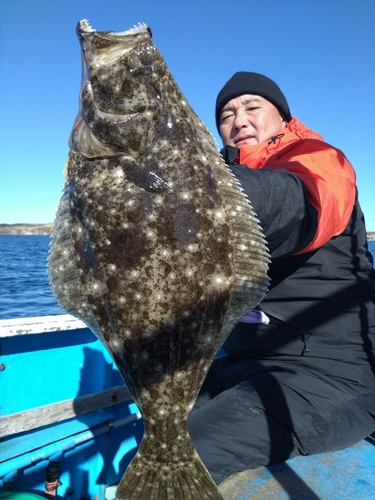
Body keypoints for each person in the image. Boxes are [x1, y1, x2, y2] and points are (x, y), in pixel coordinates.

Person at [187, 72, 375, 484]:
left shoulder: (320, 159)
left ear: (284, 118)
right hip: (242, 362)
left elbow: (302, 205)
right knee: (156, 422)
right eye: (226, 114)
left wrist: (191, 185)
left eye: (253, 107)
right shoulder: (210, 175)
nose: (239, 120)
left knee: (184, 455)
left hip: (327, 375)